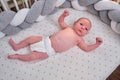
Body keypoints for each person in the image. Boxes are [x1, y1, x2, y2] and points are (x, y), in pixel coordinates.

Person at [8, 9, 103, 62]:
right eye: (81, 24)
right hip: (46, 40)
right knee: (31, 38)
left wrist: (97, 44)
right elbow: (60, 21)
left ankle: (18, 56)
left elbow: (86, 48)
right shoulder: (68, 28)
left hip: (50, 50)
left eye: (86, 29)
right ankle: (18, 46)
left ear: (86, 33)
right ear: (74, 23)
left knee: (32, 57)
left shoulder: (79, 40)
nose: (83, 28)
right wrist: (64, 15)